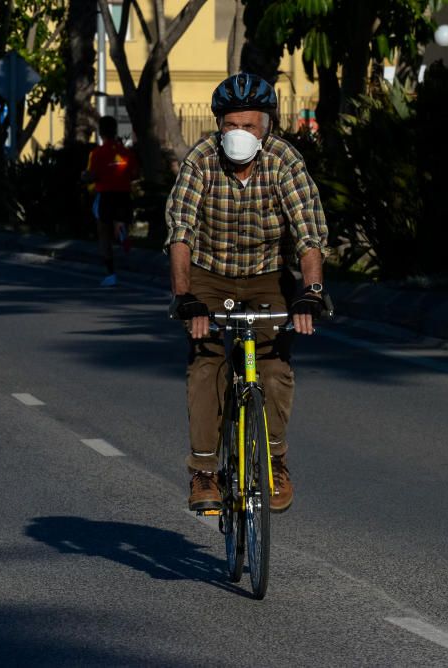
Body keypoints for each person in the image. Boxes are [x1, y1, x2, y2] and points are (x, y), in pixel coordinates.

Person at [165, 72, 329, 514]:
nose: (239, 134)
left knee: (274, 368)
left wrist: (311, 291)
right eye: (231, 125)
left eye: (249, 126)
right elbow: (180, 233)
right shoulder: (201, 160)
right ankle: (204, 471)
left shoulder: (285, 162)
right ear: (219, 126)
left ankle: (274, 463)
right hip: (209, 275)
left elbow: (309, 235)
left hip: (266, 277)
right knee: (206, 360)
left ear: (267, 126)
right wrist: (186, 297)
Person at [83, 115, 139, 288]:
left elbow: (92, 175)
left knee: (103, 234)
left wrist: (84, 177)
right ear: (115, 131)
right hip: (123, 194)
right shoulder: (126, 153)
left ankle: (111, 274)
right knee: (118, 222)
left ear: (100, 132)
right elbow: (136, 174)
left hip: (105, 195)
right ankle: (121, 232)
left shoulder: (97, 153)